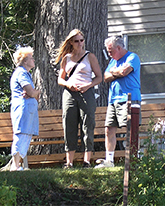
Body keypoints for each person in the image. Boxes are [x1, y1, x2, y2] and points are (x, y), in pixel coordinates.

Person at [56, 29, 102, 168]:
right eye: (76, 41)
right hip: (70, 93)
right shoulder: (67, 58)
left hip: (86, 92)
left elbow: (99, 77)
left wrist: (89, 85)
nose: (80, 43)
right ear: (71, 42)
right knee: (69, 123)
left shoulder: (90, 57)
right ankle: (69, 162)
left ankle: (86, 160)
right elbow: (60, 79)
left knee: (88, 124)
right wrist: (68, 84)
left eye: (82, 40)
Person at [95, 36, 141, 168]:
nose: (109, 54)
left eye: (110, 51)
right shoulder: (113, 62)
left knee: (130, 129)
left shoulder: (132, 57)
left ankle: (133, 158)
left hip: (129, 98)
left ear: (119, 48)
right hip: (113, 99)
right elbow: (105, 77)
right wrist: (117, 72)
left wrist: (115, 72)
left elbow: (125, 71)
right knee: (109, 129)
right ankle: (109, 160)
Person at [10, 46, 40, 171]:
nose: (33, 60)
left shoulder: (26, 74)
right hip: (22, 109)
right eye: (31, 58)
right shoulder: (21, 73)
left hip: (28, 110)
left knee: (25, 135)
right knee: (20, 134)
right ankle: (15, 165)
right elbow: (31, 92)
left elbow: (33, 94)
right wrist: (36, 92)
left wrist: (34, 93)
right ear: (25, 60)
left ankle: (18, 164)